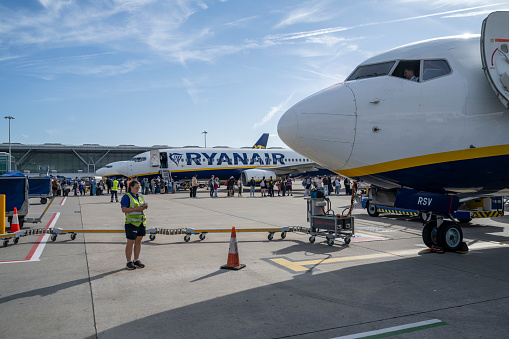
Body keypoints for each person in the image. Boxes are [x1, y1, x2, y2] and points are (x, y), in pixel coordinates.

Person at [121, 180, 148, 270]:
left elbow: (140, 207)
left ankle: (136, 260)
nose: (138, 189)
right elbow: (124, 210)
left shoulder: (140, 196)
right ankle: (129, 261)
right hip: (131, 223)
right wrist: (136, 209)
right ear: (131, 187)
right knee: (130, 242)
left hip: (141, 222)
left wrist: (144, 206)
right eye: (136, 188)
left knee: (138, 242)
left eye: (139, 188)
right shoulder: (126, 197)